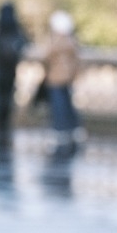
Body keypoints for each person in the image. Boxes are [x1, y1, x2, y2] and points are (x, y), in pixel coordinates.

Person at [43, 10, 81, 148]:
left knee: (58, 105)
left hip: (56, 77)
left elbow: (47, 56)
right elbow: (76, 60)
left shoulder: (56, 41)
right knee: (67, 104)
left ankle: (60, 129)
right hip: (68, 77)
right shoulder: (71, 41)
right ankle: (74, 128)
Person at [0, 1, 26, 132]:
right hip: (10, 67)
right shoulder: (16, 28)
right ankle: (4, 121)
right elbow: (22, 43)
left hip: (0, 67)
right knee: (7, 95)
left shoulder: (0, 27)